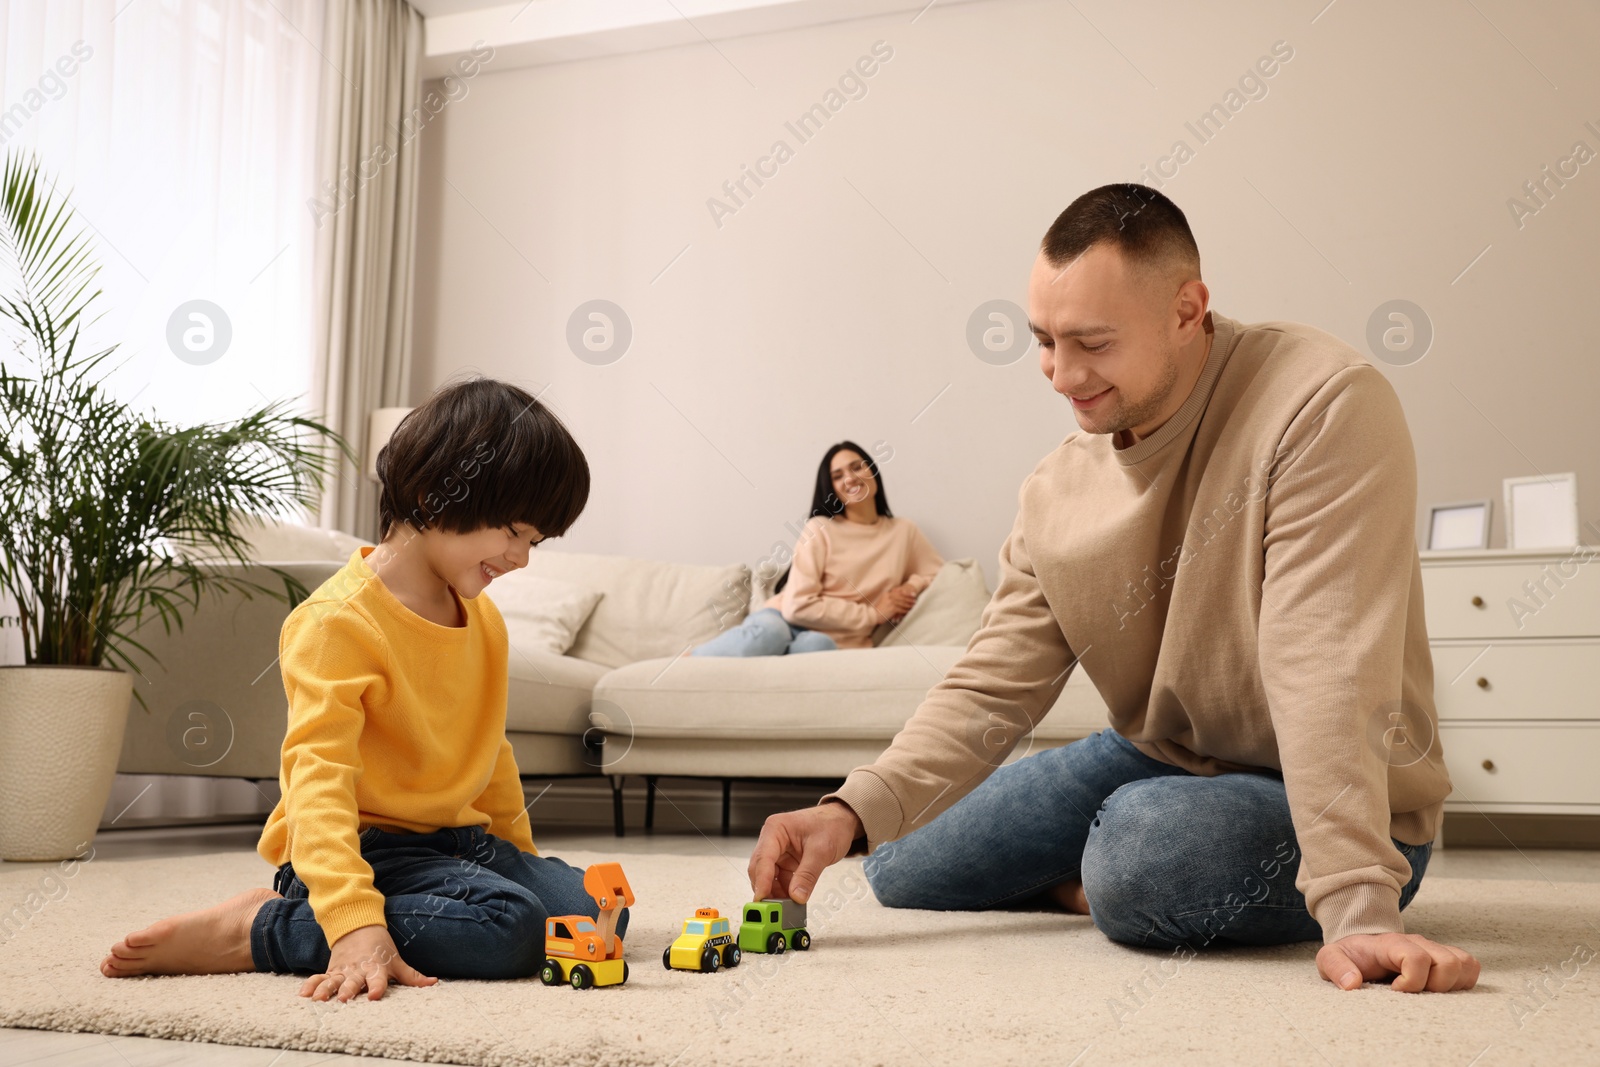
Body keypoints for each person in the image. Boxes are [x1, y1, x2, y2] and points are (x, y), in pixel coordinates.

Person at [748, 184, 1482, 995]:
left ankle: (1111, 871)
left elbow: (1327, 664)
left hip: (1335, 799)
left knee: (1141, 851)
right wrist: (845, 811)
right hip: (1157, 754)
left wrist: (1358, 905)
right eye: (1043, 341)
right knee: (898, 860)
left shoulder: (1321, 405)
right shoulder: (1056, 486)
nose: (1061, 375)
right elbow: (993, 683)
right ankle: (1091, 877)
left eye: (1090, 342)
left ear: (1186, 310)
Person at [101, 378, 627, 1001]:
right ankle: (264, 928)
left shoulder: (482, 620)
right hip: (367, 849)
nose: (522, 558)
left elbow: (491, 750)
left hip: (458, 844)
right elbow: (315, 778)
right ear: (439, 493)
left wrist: (524, 864)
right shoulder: (336, 622)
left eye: (534, 541)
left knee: (592, 909)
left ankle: (501, 897)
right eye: (514, 531)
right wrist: (354, 921)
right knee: (508, 930)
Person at [692, 441, 944, 656]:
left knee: (818, 645)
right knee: (771, 635)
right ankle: (690, 660)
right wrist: (872, 613)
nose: (850, 478)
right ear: (831, 489)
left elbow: (938, 572)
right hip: (784, 621)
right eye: (837, 476)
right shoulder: (820, 528)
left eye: (857, 466)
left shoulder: (903, 531)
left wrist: (910, 588)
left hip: (836, 641)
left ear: (873, 471)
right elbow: (797, 606)